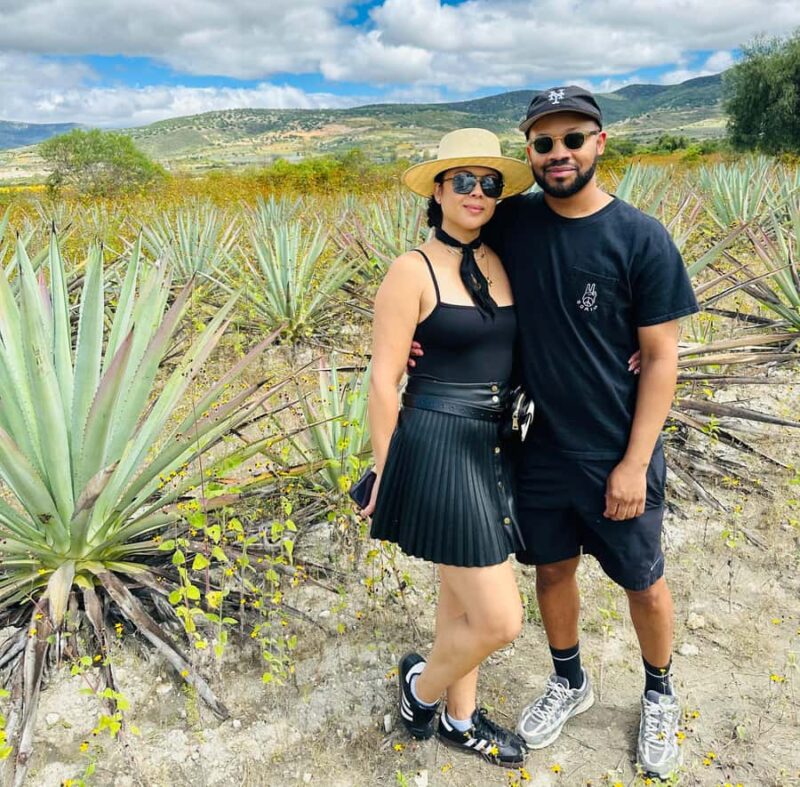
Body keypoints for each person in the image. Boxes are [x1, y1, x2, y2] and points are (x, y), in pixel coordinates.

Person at [478, 86, 699, 779]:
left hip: (616, 449)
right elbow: (452, 257)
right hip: (540, 445)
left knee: (643, 580)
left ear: (599, 142)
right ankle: (569, 680)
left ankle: (659, 692)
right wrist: (420, 332)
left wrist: (634, 463)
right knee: (552, 569)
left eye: (572, 139)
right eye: (544, 143)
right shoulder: (513, 223)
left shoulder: (640, 237)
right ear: (529, 152)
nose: (559, 153)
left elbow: (660, 358)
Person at [362, 128, 534, 766]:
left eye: (489, 183)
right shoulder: (412, 269)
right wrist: (388, 471)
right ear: (437, 191)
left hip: (492, 444)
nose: (476, 192)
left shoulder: (503, 259)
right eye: (462, 180)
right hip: (435, 443)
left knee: (459, 601)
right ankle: (421, 692)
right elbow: (383, 380)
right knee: (500, 619)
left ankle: (460, 722)